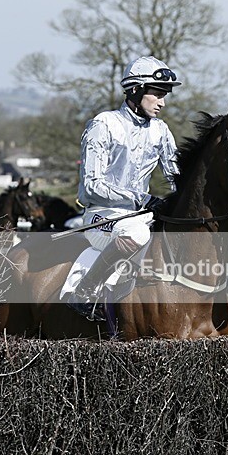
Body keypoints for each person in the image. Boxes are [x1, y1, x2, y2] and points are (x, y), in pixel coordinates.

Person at [67, 55, 181, 320]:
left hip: (138, 217)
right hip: (100, 217)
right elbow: (92, 185)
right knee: (139, 236)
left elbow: (178, 177)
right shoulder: (103, 124)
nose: (163, 103)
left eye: (165, 96)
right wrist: (141, 198)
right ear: (136, 90)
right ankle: (84, 291)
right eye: (157, 94)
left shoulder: (161, 131)